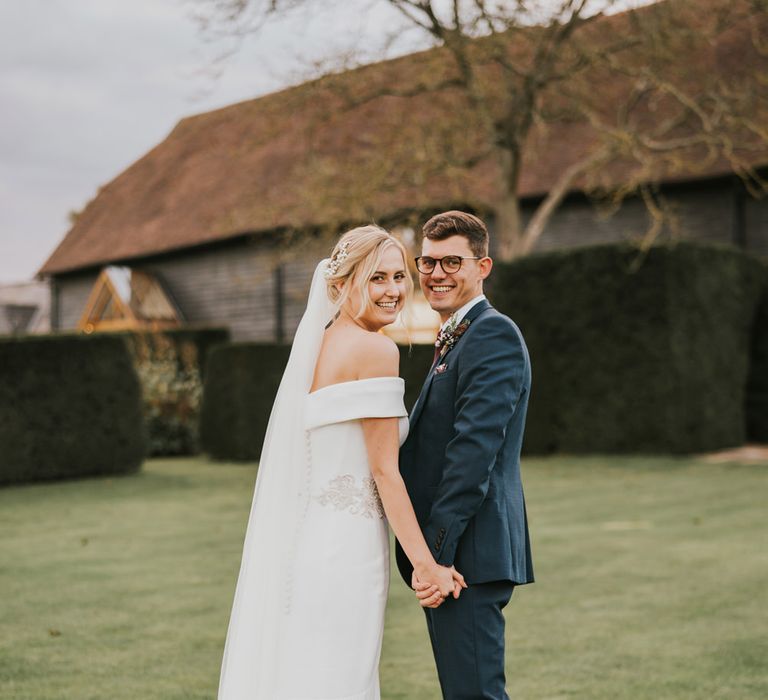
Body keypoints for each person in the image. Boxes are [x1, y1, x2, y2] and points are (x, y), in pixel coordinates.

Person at [217, 224, 465, 700]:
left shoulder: (319, 346)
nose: (393, 290)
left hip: (307, 543)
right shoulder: (376, 350)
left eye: (398, 276)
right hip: (347, 549)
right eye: (377, 278)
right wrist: (425, 566)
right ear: (340, 284)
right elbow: (384, 472)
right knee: (341, 679)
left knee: (307, 675)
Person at [396, 210, 535, 700]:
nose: (435, 274)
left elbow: (472, 455)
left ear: (483, 266)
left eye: (451, 262)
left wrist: (432, 556)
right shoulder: (455, 336)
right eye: (427, 262)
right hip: (460, 553)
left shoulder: (492, 334)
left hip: (466, 555)